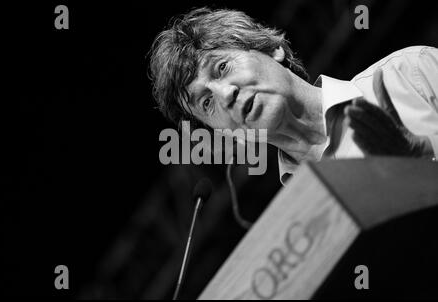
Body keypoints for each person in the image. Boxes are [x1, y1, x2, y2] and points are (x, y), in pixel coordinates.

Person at [149, 7, 438, 184]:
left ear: (272, 48)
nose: (225, 95)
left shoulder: (410, 73)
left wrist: (424, 168)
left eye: (222, 68)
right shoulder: (298, 229)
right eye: (206, 102)